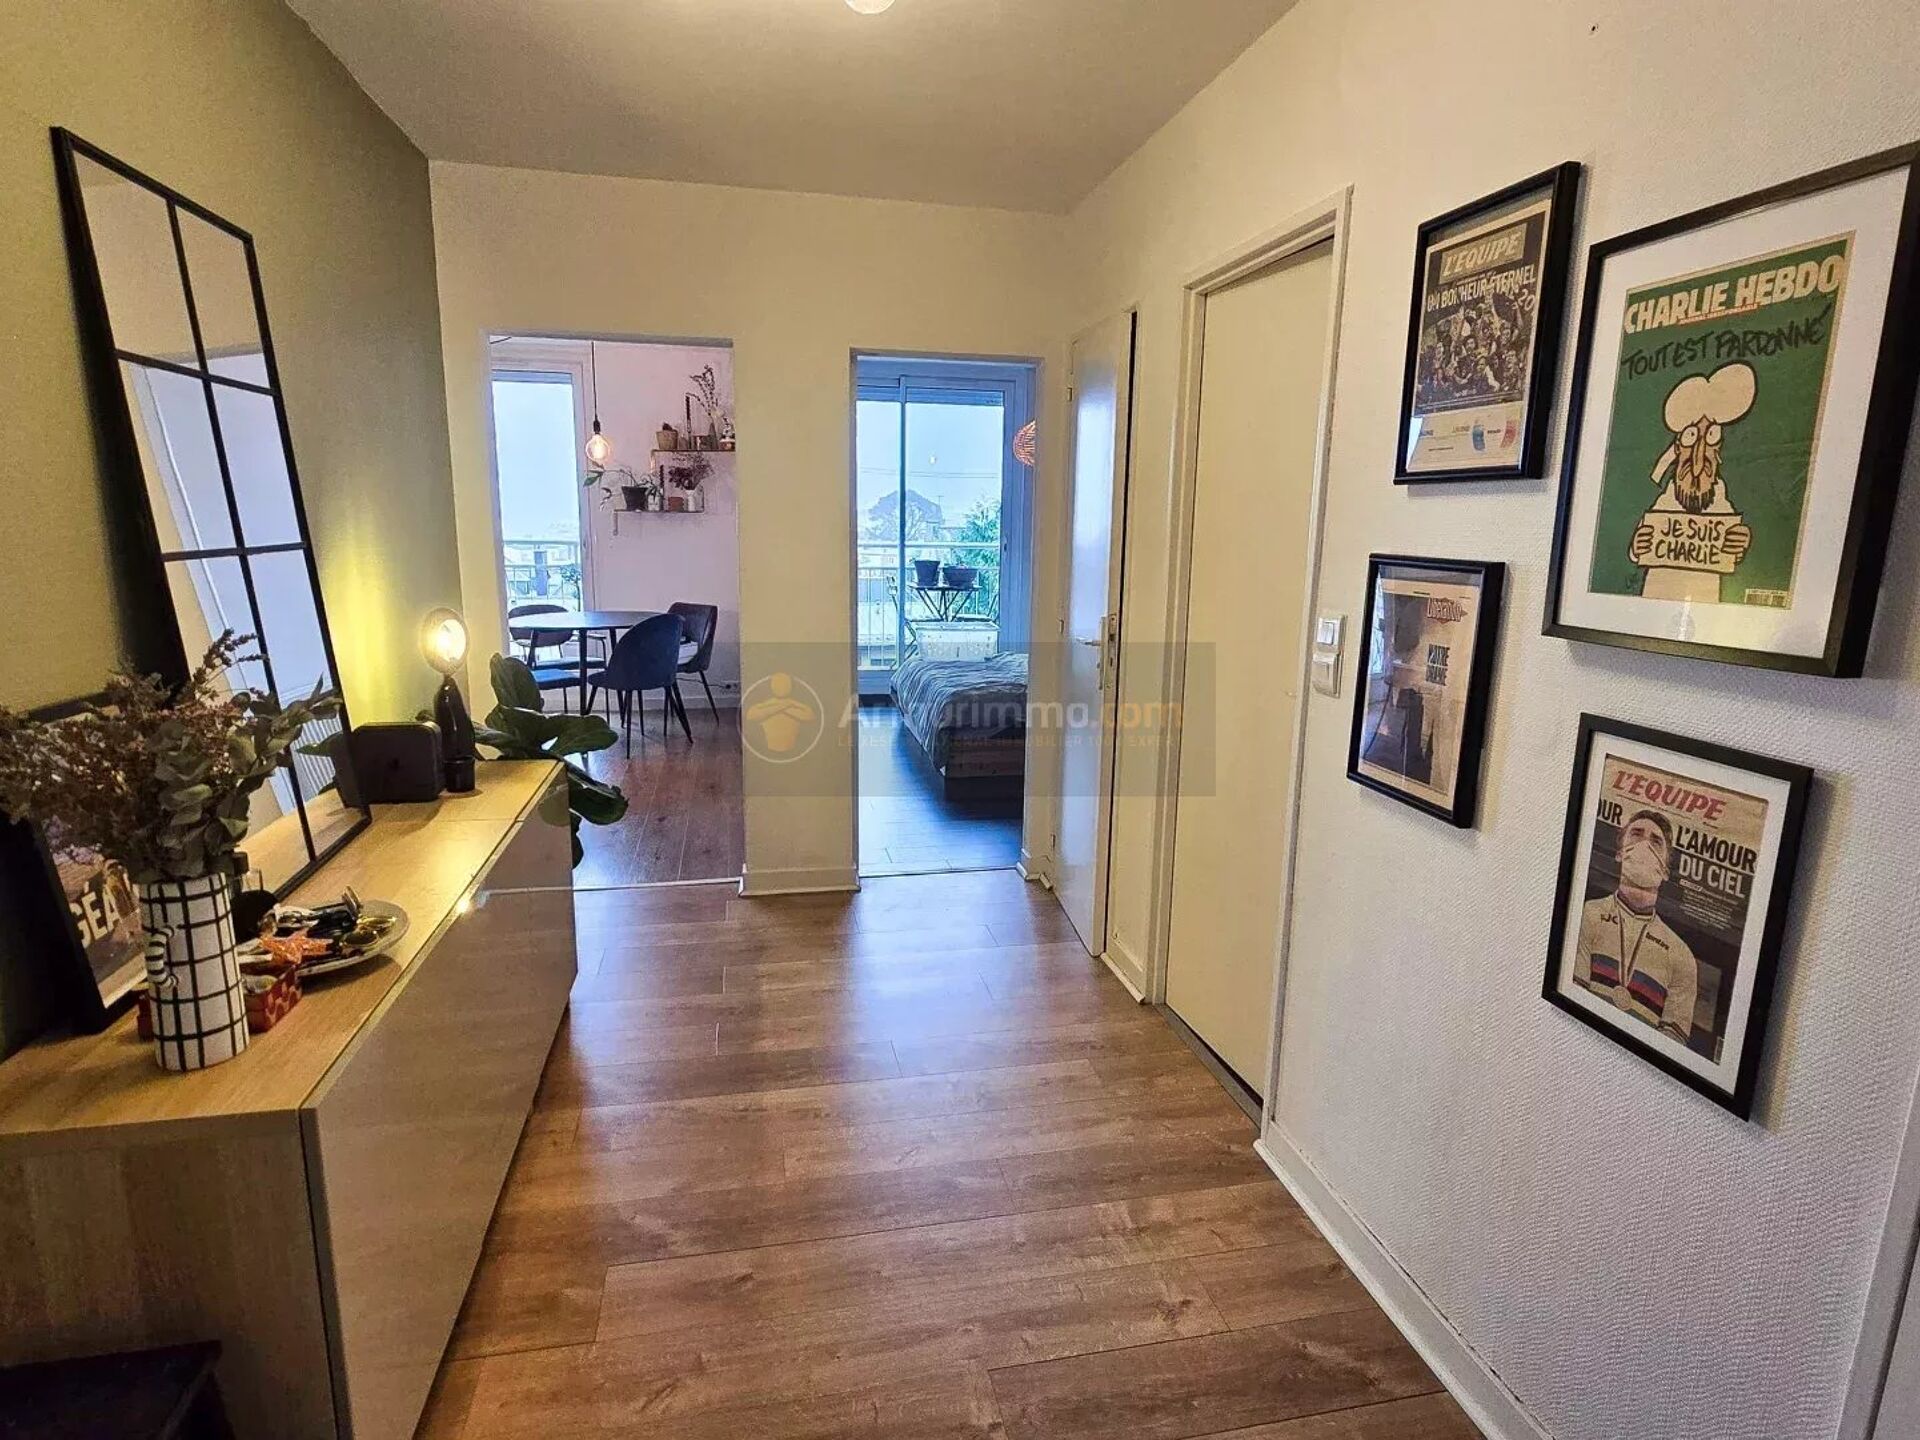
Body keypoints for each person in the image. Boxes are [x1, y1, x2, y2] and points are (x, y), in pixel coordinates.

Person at [1572, 808, 1700, 1045]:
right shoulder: (1588, 914)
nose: (1644, 845)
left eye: (1656, 841)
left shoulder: (1682, 955)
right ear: (1620, 854)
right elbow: (1573, 1005)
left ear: (1665, 872)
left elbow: (1670, 1044)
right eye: (1636, 834)